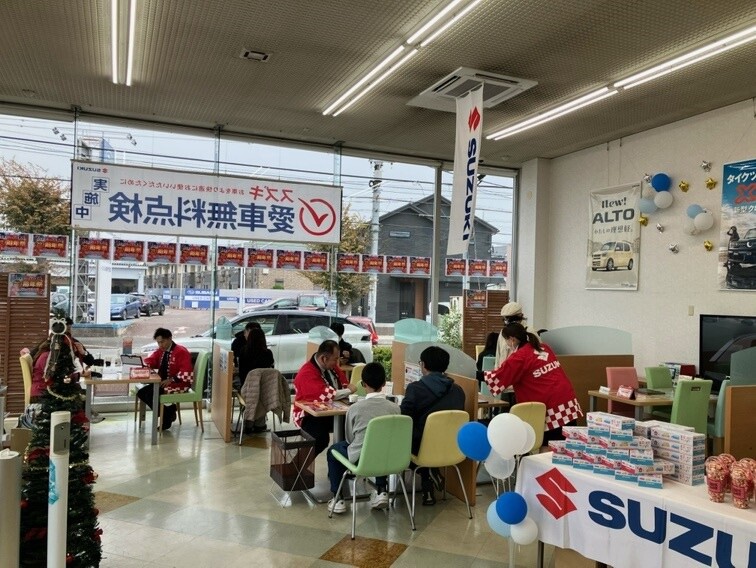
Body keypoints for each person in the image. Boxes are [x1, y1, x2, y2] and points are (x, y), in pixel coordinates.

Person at [484, 323, 583, 443]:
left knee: (549, 445)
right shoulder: (544, 347)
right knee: (568, 445)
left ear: (512, 339)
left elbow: (498, 377)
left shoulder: (519, 357)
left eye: (506, 341)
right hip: (568, 401)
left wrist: (477, 375)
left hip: (551, 408)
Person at [326, 362, 399, 514]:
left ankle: (338, 498)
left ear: (363, 384)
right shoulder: (395, 408)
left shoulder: (355, 409)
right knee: (381, 445)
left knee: (333, 451)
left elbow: (349, 439)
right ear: (384, 384)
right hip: (388, 459)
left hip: (361, 459)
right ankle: (381, 490)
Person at [400, 345, 465, 506]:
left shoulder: (415, 389)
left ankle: (428, 473)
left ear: (423, 365)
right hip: (452, 446)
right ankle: (429, 480)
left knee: (402, 443)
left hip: (423, 447)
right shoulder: (458, 390)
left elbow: (404, 419)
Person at [292, 340, 356, 456]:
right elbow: (326, 395)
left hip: (333, 412)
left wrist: (346, 390)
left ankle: (342, 464)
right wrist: (349, 391)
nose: (337, 362)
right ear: (324, 358)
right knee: (320, 439)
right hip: (308, 415)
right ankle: (296, 466)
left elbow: (344, 383)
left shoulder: (332, 367)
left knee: (352, 429)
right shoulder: (306, 373)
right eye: (335, 359)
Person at [138, 328, 193, 430]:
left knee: (150, 395)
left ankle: (166, 417)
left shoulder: (181, 351)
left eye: (162, 342)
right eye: (158, 342)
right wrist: (145, 364)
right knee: (141, 393)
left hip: (180, 384)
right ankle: (169, 412)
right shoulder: (161, 351)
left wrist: (171, 380)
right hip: (163, 382)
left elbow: (186, 372)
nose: (160, 345)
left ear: (170, 338)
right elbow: (152, 360)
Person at [65, 317, 105, 423]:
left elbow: (90, 361)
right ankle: (86, 416)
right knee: (80, 392)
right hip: (60, 385)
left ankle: (87, 415)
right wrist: (81, 374)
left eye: (69, 328)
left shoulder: (74, 343)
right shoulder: (52, 346)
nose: (68, 332)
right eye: (66, 329)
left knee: (82, 390)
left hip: (70, 380)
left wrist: (83, 353)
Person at [495, 302, 537, 366]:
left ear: (521, 316)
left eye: (511, 319)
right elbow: (498, 356)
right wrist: (497, 370)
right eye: (506, 319)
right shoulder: (503, 332)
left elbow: (536, 356)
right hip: (505, 369)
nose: (508, 322)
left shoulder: (530, 331)